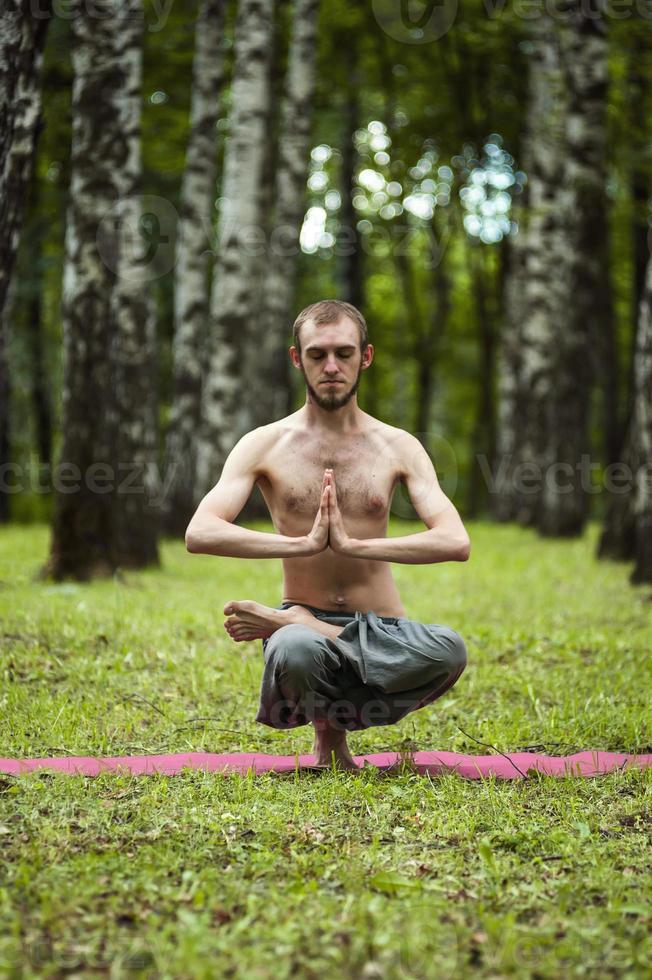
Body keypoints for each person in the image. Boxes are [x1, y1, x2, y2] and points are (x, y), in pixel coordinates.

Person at [185, 299, 470, 770]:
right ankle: (320, 707)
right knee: (297, 648)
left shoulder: (398, 446)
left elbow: (455, 541)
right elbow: (201, 531)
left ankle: (300, 624)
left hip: (383, 631)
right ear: (297, 359)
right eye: (317, 355)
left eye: (344, 353)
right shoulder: (264, 444)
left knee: (449, 650)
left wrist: (359, 545)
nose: (332, 367)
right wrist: (300, 543)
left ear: (367, 356)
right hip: (304, 626)